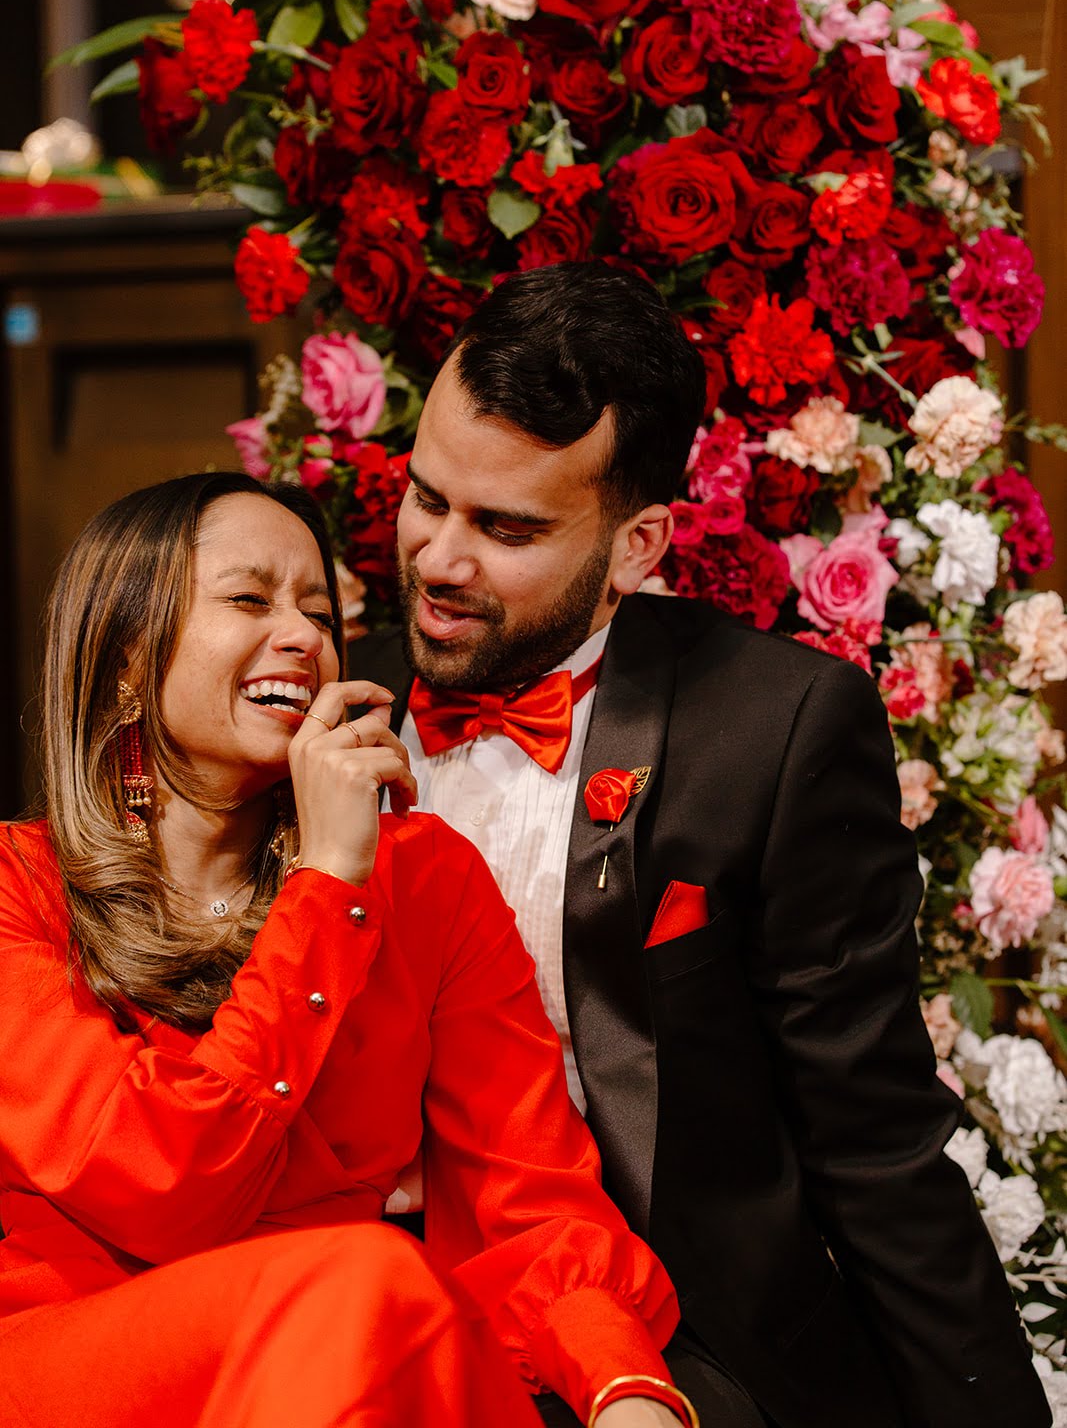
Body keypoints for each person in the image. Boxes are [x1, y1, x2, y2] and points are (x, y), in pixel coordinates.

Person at [359, 260, 1052, 1428]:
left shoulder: (769, 732)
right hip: (369, 1299)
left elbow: (871, 1139)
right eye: (427, 500)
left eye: (506, 527)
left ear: (637, 546)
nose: (437, 560)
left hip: (672, 1334)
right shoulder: (331, 696)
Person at [0, 469, 699, 1428]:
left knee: (384, 1314)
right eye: (249, 599)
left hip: (339, 1364)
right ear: (125, 652)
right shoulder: (16, 887)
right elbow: (164, 1183)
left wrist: (627, 1389)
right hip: (85, 1358)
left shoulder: (421, 876)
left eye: (319, 612)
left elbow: (527, 1197)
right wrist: (327, 884)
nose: (301, 637)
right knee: (370, 1283)